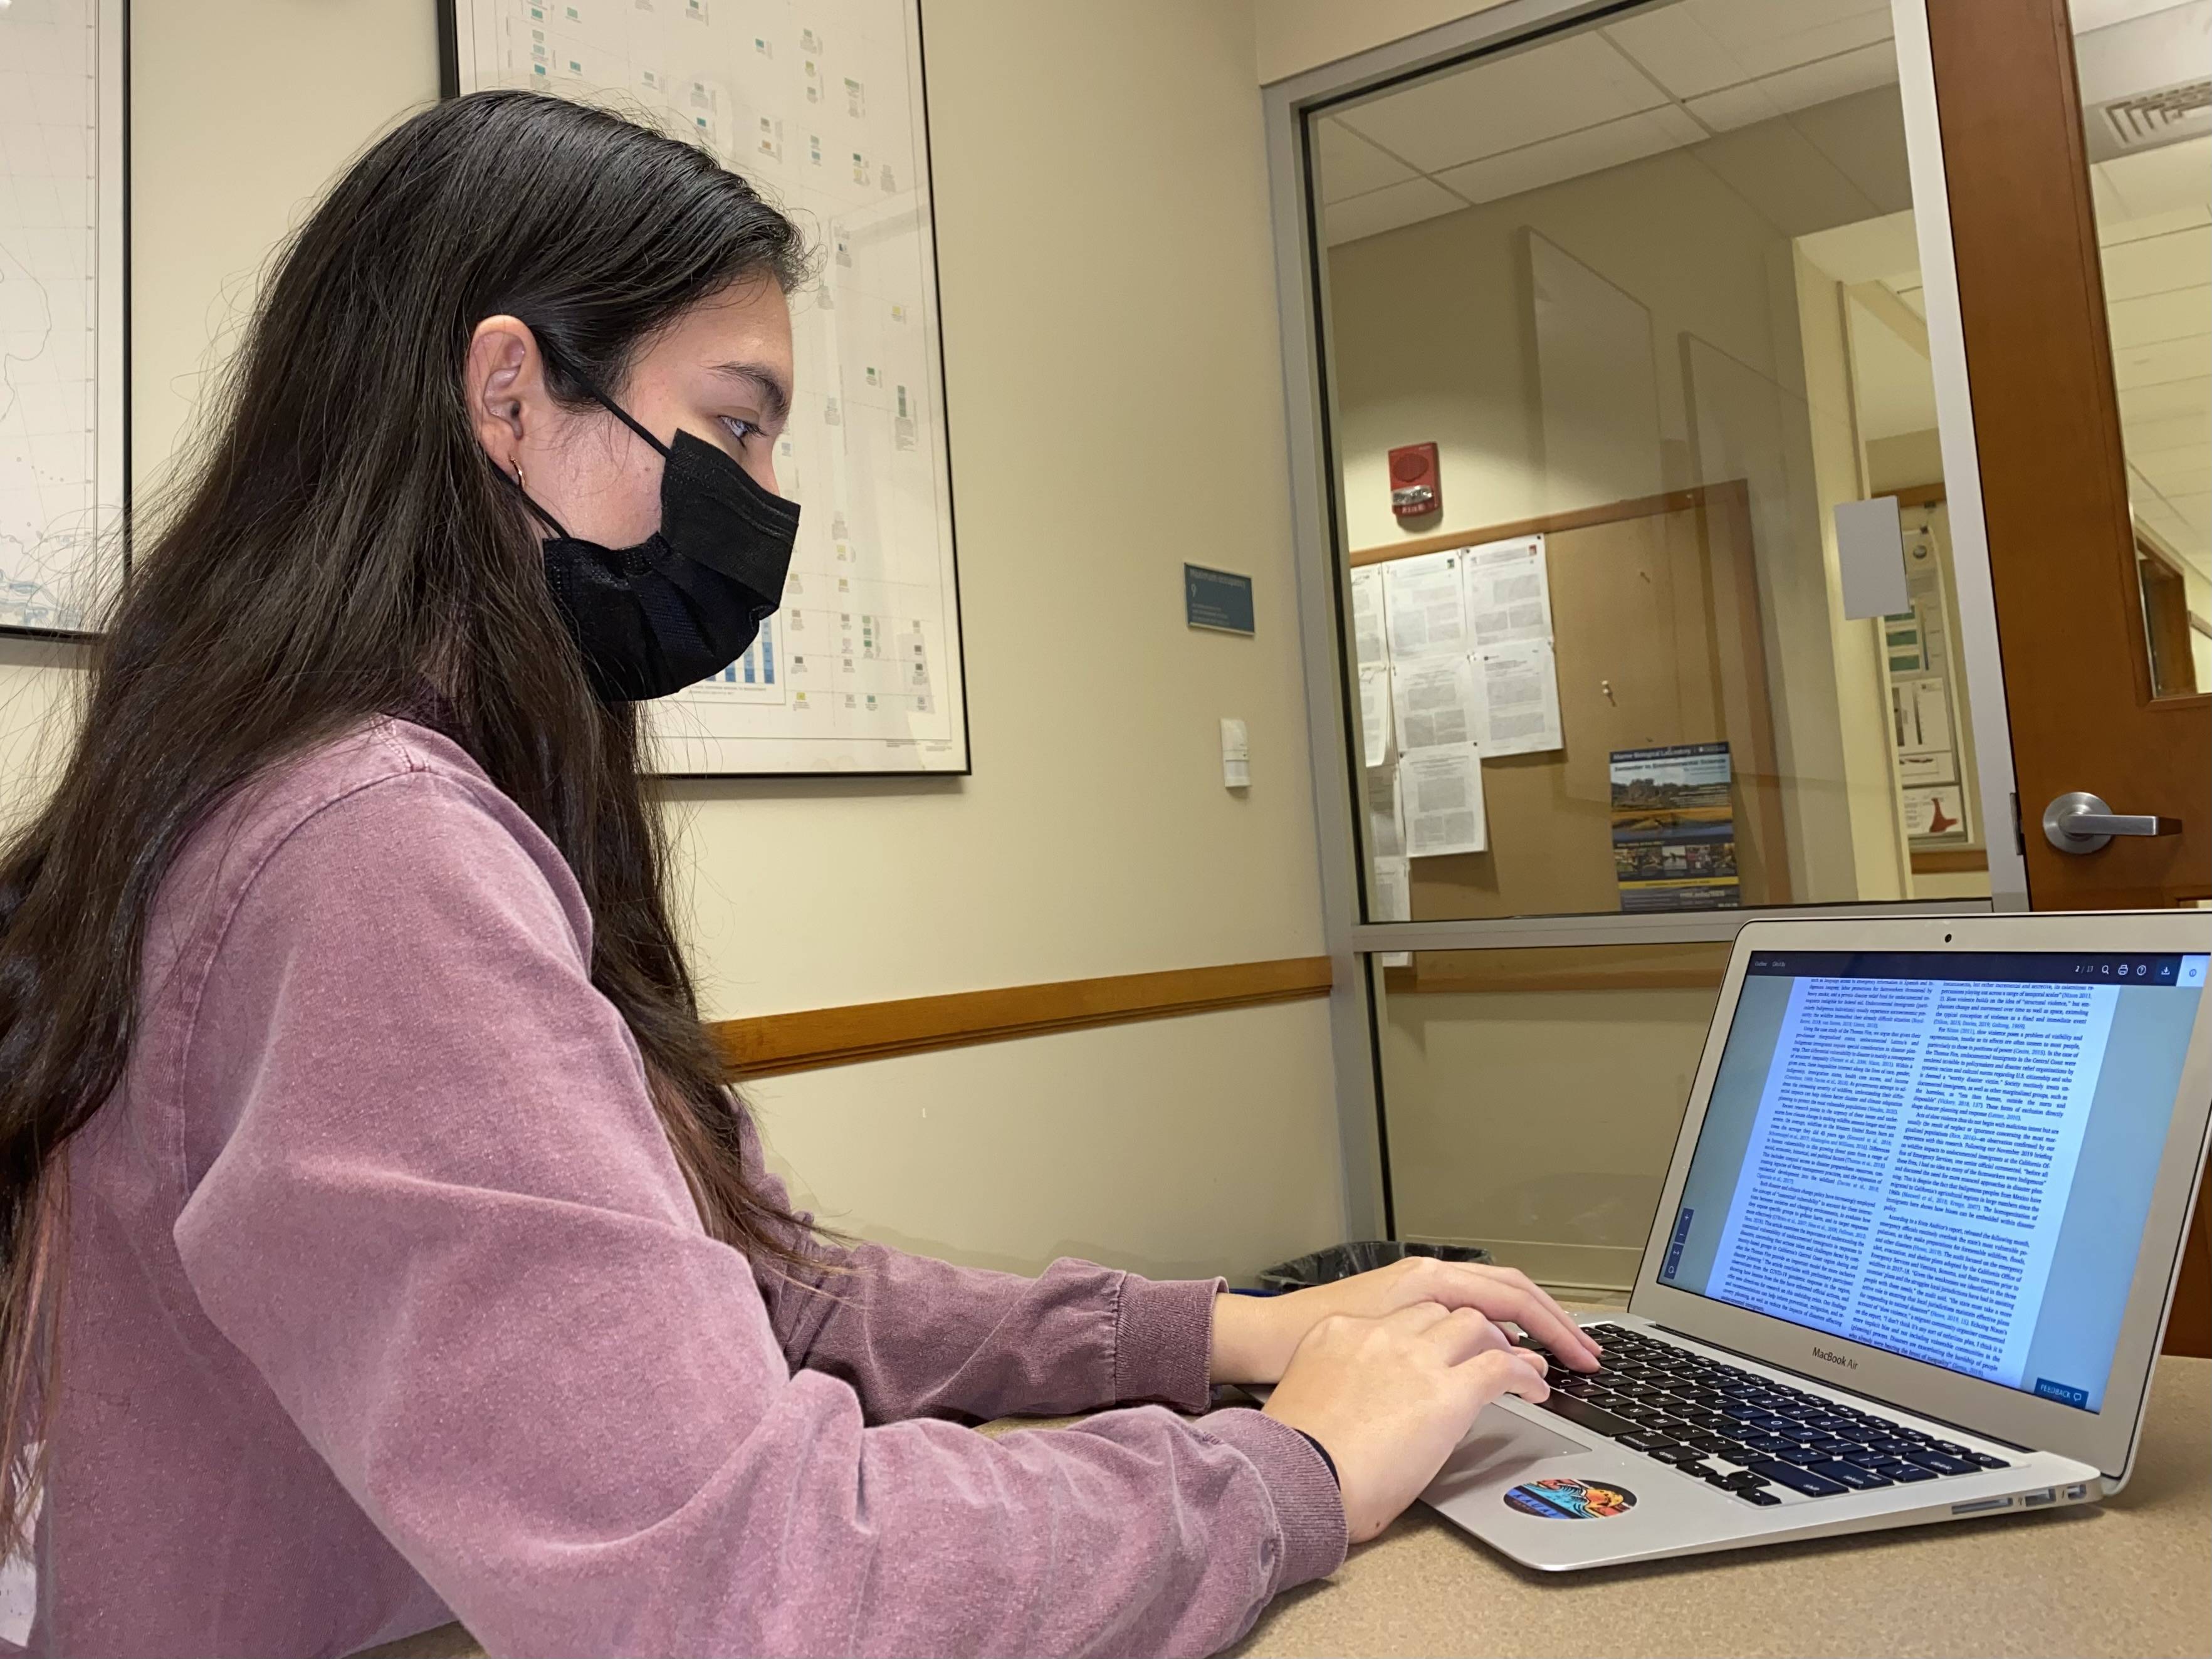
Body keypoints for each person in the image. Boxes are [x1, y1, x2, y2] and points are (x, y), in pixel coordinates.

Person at [0, 92, 1599, 1658]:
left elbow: (766, 1291)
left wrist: (1223, 1335)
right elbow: (751, 1590)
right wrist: (1297, 1467)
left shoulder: (302, 785)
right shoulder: (368, 849)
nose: (766, 505)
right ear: (506, 396)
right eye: (735, 426)